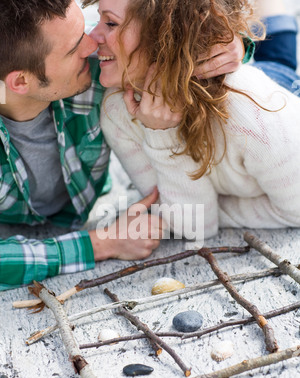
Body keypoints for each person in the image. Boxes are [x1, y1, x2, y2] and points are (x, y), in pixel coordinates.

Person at [0, 0, 248, 291]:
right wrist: (101, 243)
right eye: (73, 49)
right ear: (20, 81)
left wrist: (233, 46)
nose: (92, 46)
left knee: (280, 67)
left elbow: (171, 29)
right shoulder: (80, 68)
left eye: (83, 30)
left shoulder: (92, 65)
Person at [89, 0, 300, 244]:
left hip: (282, 97)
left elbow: (296, 210)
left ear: (163, 36)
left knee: (278, 59)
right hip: (233, 89)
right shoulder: (117, 110)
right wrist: (161, 134)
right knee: (273, 56)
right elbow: (195, 226)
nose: (92, 35)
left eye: (111, 23)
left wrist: (216, 212)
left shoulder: (254, 114)